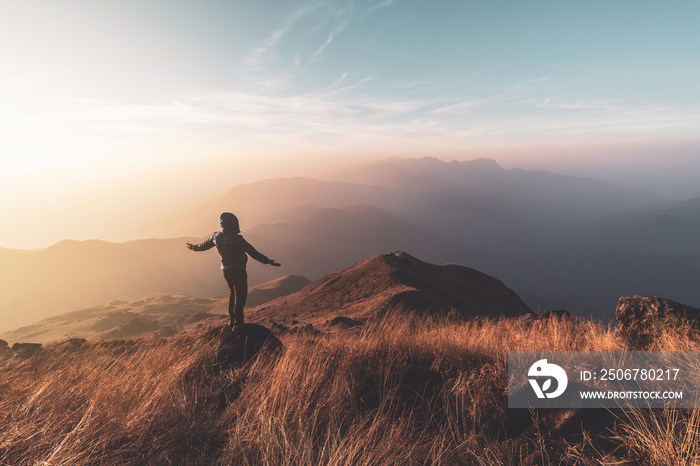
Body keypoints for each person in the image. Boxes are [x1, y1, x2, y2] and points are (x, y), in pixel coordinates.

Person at [187, 212, 280, 331]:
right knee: (241, 296)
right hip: (238, 270)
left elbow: (203, 246)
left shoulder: (216, 236)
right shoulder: (237, 239)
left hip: (225, 270)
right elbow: (252, 252)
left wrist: (193, 247)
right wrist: (267, 261)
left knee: (232, 294)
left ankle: (232, 320)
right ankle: (239, 323)